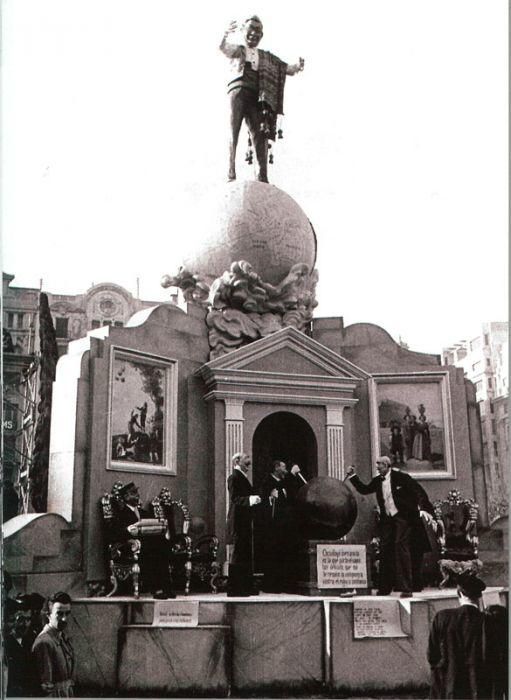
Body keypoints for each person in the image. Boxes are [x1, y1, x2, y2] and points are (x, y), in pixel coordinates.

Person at [220, 16, 304, 183]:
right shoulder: (239, 50)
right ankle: (230, 171)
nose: (253, 33)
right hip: (238, 89)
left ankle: (262, 176)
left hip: (257, 95)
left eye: (258, 30)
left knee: (260, 133)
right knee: (233, 130)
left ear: (261, 35)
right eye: (250, 29)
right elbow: (223, 48)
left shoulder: (266, 57)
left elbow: (284, 67)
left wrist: (297, 67)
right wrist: (225, 34)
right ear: (244, 31)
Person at [346, 456, 435, 596]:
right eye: (376, 464)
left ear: (387, 465)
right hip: (388, 519)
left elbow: (418, 492)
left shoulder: (401, 477)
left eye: (379, 465)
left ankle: (407, 588)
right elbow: (364, 489)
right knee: (385, 548)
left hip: (403, 518)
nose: (377, 467)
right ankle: (384, 588)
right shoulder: (378, 480)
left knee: (401, 546)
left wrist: (422, 508)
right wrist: (353, 476)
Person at [427, 574, 489, 699]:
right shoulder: (486, 621)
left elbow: (432, 655)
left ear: (460, 594)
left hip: (447, 684)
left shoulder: (442, 617)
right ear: (480, 596)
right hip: (477, 686)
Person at [112, 482, 176, 598]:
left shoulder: (143, 512)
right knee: (153, 551)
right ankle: (156, 589)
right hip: (131, 546)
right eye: (134, 493)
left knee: (163, 546)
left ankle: (167, 587)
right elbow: (116, 534)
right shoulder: (121, 514)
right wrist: (128, 529)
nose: (137, 496)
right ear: (126, 497)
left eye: (137, 493)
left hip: (147, 544)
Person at [260, 460, 303, 592]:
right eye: (283, 467)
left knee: (286, 555)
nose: (285, 470)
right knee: (274, 556)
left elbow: (288, 488)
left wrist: (292, 475)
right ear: (276, 468)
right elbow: (263, 501)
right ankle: (272, 586)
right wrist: (270, 498)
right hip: (273, 528)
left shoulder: (283, 482)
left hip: (285, 528)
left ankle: (286, 584)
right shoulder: (267, 482)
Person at [226, 453, 261, 596]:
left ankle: (245, 587)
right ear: (237, 461)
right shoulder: (233, 477)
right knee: (238, 554)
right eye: (246, 460)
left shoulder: (242, 478)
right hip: (238, 522)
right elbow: (234, 499)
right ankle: (235, 589)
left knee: (245, 553)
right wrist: (250, 500)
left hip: (244, 521)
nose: (249, 463)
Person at [32, 591, 75, 697]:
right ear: (48, 615)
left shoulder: (62, 638)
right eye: (59, 614)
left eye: (67, 613)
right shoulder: (44, 642)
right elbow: (47, 686)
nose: (64, 619)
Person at [4, 598, 37, 696]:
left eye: (28, 619)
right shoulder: (6, 643)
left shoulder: (31, 641)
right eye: (21, 619)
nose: (26, 624)